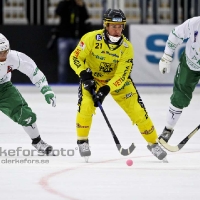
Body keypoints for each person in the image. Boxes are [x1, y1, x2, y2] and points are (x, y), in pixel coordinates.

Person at [69, 8, 167, 162]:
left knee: (138, 112)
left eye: (120, 26)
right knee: (86, 106)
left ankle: (153, 143)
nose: (117, 30)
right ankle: (82, 140)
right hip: (93, 80)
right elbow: (75, 57)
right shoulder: (91, 38)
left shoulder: (127, 48)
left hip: (117, 83)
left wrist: (106, 90)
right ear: (106, 26)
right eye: (113, 26)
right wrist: (83, 74)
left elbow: (121, 75)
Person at [0, 33, 56, 155]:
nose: (4, 55)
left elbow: (33, 71)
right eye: (0, 53)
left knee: (24, 114)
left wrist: (46, 89)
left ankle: (37, 141)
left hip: (3, 88)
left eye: (5, 51)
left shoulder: (14, 57)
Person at [158, 17, 200, 143]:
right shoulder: (194, 23)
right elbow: (175, 35)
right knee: (180, 96)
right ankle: (168, 129)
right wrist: (166, 57)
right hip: (191, 64)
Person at [55, 0, 89, 83]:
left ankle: (83, 83)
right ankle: (61, 83)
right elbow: (58, 12)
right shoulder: (64, 3)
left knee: (80, 62)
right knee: (63, 63)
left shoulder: (79, 4)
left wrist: (81, 6)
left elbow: (85, 17)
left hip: (77, 38)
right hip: (64, 37)